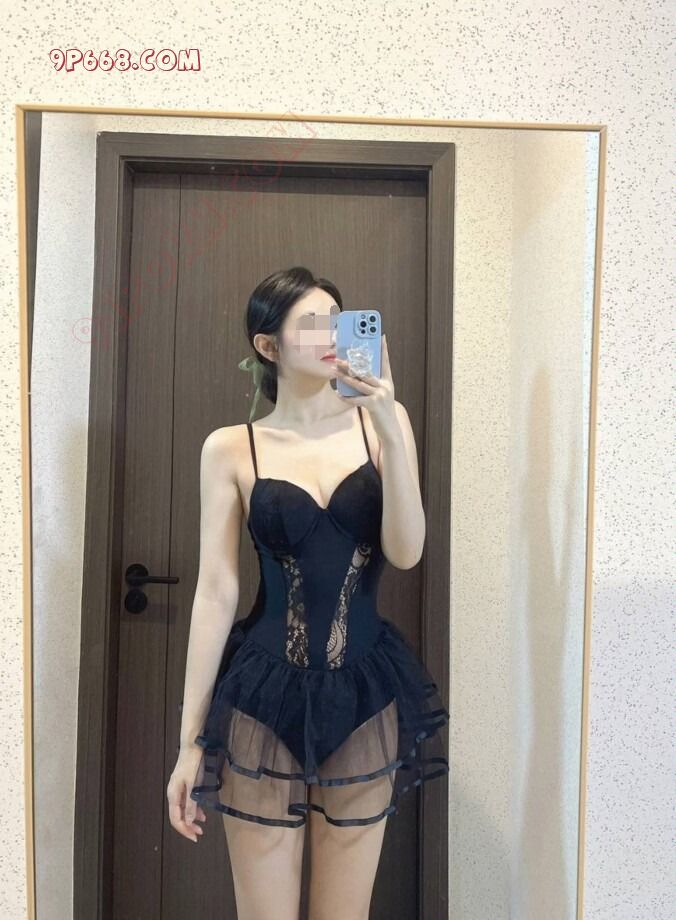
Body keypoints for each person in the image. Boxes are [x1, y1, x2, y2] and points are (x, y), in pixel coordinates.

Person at [167, 266, 449, 920]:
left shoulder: (384, 423)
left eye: (336, 320)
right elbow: (216, 592)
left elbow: (407, 551)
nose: (330, 335)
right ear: (268, 346)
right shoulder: (231, 448)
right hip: (261, 703)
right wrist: (189, 742)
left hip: (364, 697)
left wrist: (387, 421)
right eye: (311, 323)